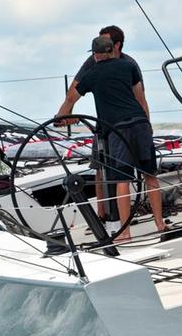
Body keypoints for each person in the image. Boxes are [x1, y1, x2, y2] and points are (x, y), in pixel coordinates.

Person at [55, 36, 166, 241]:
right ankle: (160, 224)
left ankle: (125, 232)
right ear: (111, 50)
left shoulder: (92, 74)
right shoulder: (127, 66)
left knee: (122, 179)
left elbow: (71, 97)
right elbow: (140, 97)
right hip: (140, 123)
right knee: (150, 175)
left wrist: (60, 118)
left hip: (118, 129)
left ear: (96, 55)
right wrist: (147, 124)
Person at [61, 25, 141, 218]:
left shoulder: (129, 64)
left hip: (129, 124)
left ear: (116, 45)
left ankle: (125, 216)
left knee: (128, 170)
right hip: (105, 125)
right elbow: (73, 92)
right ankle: (102, 213)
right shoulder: (93, 62)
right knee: (100, 166)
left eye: (103, 43)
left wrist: (146, 125)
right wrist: (63, 116)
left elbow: (140, 97)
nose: (99, 49)